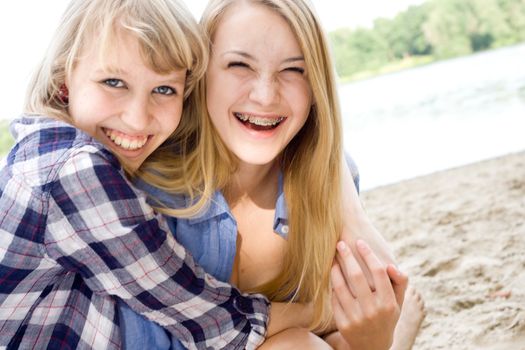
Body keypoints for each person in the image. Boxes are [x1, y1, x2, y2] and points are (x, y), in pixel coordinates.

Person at [0, 0, 318, 348]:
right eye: (113, 82)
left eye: (164, 89)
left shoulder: (42, 152)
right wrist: (321, 312)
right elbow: (214, 324)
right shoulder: (73, 170)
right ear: (64, 82)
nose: (138, 118)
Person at [119, 0, 424, 349]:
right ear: (200, 75)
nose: (265, 96)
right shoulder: (150, 186)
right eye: (239, 64)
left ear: (315, 89)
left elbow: (340, 330)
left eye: (294, 70)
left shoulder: (323, 177)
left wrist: (374, 339)